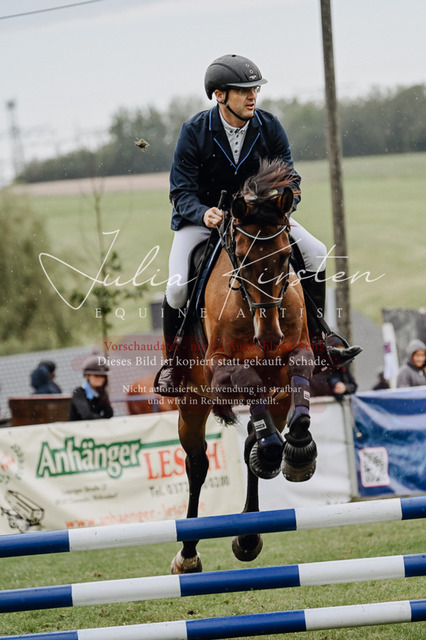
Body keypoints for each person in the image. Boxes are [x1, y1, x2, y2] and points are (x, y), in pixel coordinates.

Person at [155, 54, 361, 395]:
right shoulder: (194, 131)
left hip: (259, 221)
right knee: (177, 290)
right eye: (243, 90)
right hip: (205, 220)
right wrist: (203, 212)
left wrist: (281, 208)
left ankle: (319, 340)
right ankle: (173, 365)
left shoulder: (270, 126)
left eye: (255, 89)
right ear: (220, 95)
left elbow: (291, 180)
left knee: (316, 252)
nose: (252, 96)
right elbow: (180, 191)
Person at [69, 356, 114, 421]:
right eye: (96, 375)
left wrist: (104, 396)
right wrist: (103, 421)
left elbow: (109, 414)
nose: (100, 379)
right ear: (87, 376)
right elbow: (86, 415)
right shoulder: (79, 392)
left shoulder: (101, 393)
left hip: (95, 426)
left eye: (103, 376)